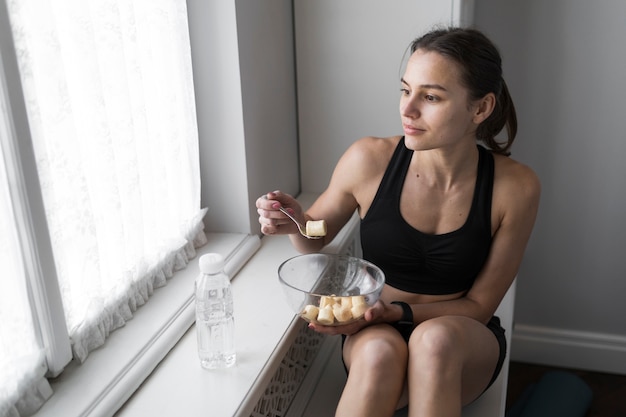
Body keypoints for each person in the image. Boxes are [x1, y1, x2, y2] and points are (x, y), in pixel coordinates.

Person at [256, 27, 540, 417]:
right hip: (374, 328)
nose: (408, 110)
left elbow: (479, 304)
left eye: (431, 97)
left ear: (480, 108)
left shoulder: (515, 188)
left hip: (461, 338)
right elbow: (317, 234)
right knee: (378, 354)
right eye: (406, 90)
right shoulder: (368, 161)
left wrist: (402, 313)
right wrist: (296, 222)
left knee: (433, 342)